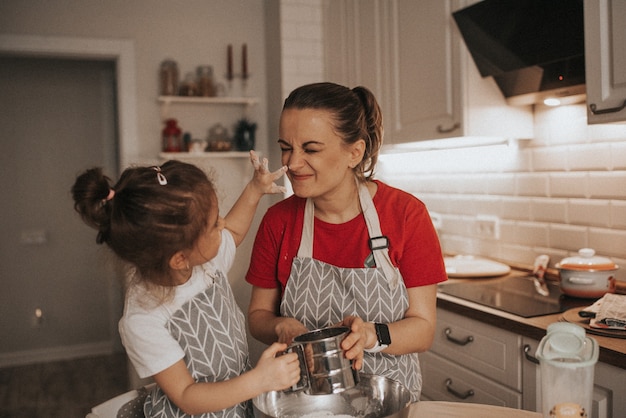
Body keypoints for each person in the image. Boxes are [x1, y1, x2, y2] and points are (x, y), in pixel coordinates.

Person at [245, 82, 447, 402]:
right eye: (286, 147)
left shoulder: (406, 215)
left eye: (310, 149)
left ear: (355, 152)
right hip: (305, 399)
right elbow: (258, 316)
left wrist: (370, 334)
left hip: (388, 396)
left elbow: (423, 329)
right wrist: (281, 326)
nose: (292, 164)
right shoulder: (279, 221)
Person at [71, 152, 300, 418]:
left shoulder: (202, 264)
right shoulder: (144, 319)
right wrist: (259, 381)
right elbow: (186, 396)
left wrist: (254, 189)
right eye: (214, 225)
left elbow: (234, 232)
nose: (222, 224)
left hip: (237, 406)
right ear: (179, 258)